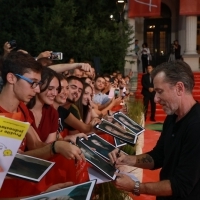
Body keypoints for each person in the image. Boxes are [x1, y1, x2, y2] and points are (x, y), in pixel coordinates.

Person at [109, 60, 200, 199]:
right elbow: (159, 155)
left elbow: (181, 186)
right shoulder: (172, 117)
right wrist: (127, 159)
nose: (156, 99)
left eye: (160, 91)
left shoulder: (196, 126)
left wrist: (136, 186)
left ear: (179, 88)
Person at [0, 52, 84, 198]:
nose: (37, 89)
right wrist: (55, 147)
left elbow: (36, 145)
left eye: (38, 84)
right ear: (11, 78)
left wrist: (59, 145)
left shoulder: (22, 109)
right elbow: (7, 165)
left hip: (23, 188)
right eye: (32, 83)